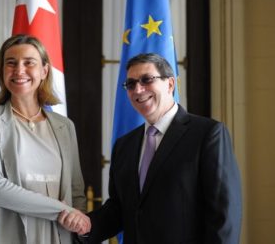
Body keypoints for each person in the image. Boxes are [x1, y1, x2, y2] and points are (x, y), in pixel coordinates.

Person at [60, 53, 242, 243]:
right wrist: (85, 225)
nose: (138, 89)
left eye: (147, 80)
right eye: (130, 84)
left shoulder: (207, 134)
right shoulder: (125, 145)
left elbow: (225, 215)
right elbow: (119, 210)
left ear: (170, 84)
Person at [0, 34, 90, 244]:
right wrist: (62, 210)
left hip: (57, 235)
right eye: (11, 63)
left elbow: (76, 191)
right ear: (2, 72)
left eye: (29, 63)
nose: (19, 70)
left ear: (44, 71)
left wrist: (77, 222)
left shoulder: (65, 126)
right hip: (4, 235)